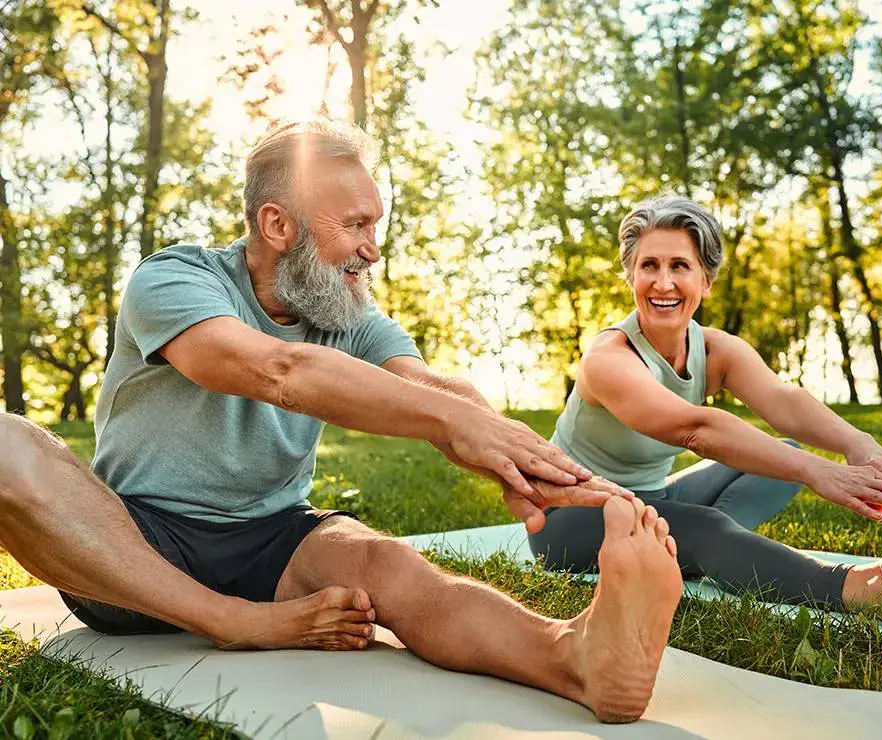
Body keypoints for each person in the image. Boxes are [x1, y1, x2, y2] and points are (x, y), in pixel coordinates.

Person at [0, 120, 690, 724]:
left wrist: (525, 459)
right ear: (277, 226)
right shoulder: (175, 279)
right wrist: (446, 422)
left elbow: (429, 387)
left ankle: (576, 658)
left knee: (385, 563)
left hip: (272, 541)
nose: (372, 249)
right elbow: (279, 371)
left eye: (375, 226)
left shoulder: (349, 314)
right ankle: (232, 623)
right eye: (355, 226)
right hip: (131, 547)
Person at [528, 195, 882, 628]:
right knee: (708, 525)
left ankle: (695, 546)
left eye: (680, 266)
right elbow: (696, 429)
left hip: (651, 498)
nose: (663, 283)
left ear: (705, 281)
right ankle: (871, 589)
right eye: (649, 266)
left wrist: (861, 447)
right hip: (567, 518)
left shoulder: (714, 349)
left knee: (777, 456)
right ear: (631, 276)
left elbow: (783, 402)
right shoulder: (609, 358)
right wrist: (820, 471)